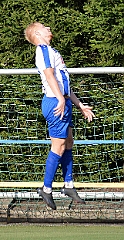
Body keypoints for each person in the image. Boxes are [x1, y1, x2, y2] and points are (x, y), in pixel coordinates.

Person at [24, 22, 95, 210]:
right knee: (58, 145)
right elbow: (49, 76)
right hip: (55, 101)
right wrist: (60, 100)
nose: (49, 28)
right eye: (44, 27)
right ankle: (46, 188)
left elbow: (64, 83)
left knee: (68, 142)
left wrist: (80, 106)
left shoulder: (52, 51)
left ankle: (68, 185)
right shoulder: (43, 49)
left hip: (62, 99)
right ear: (38, 33)